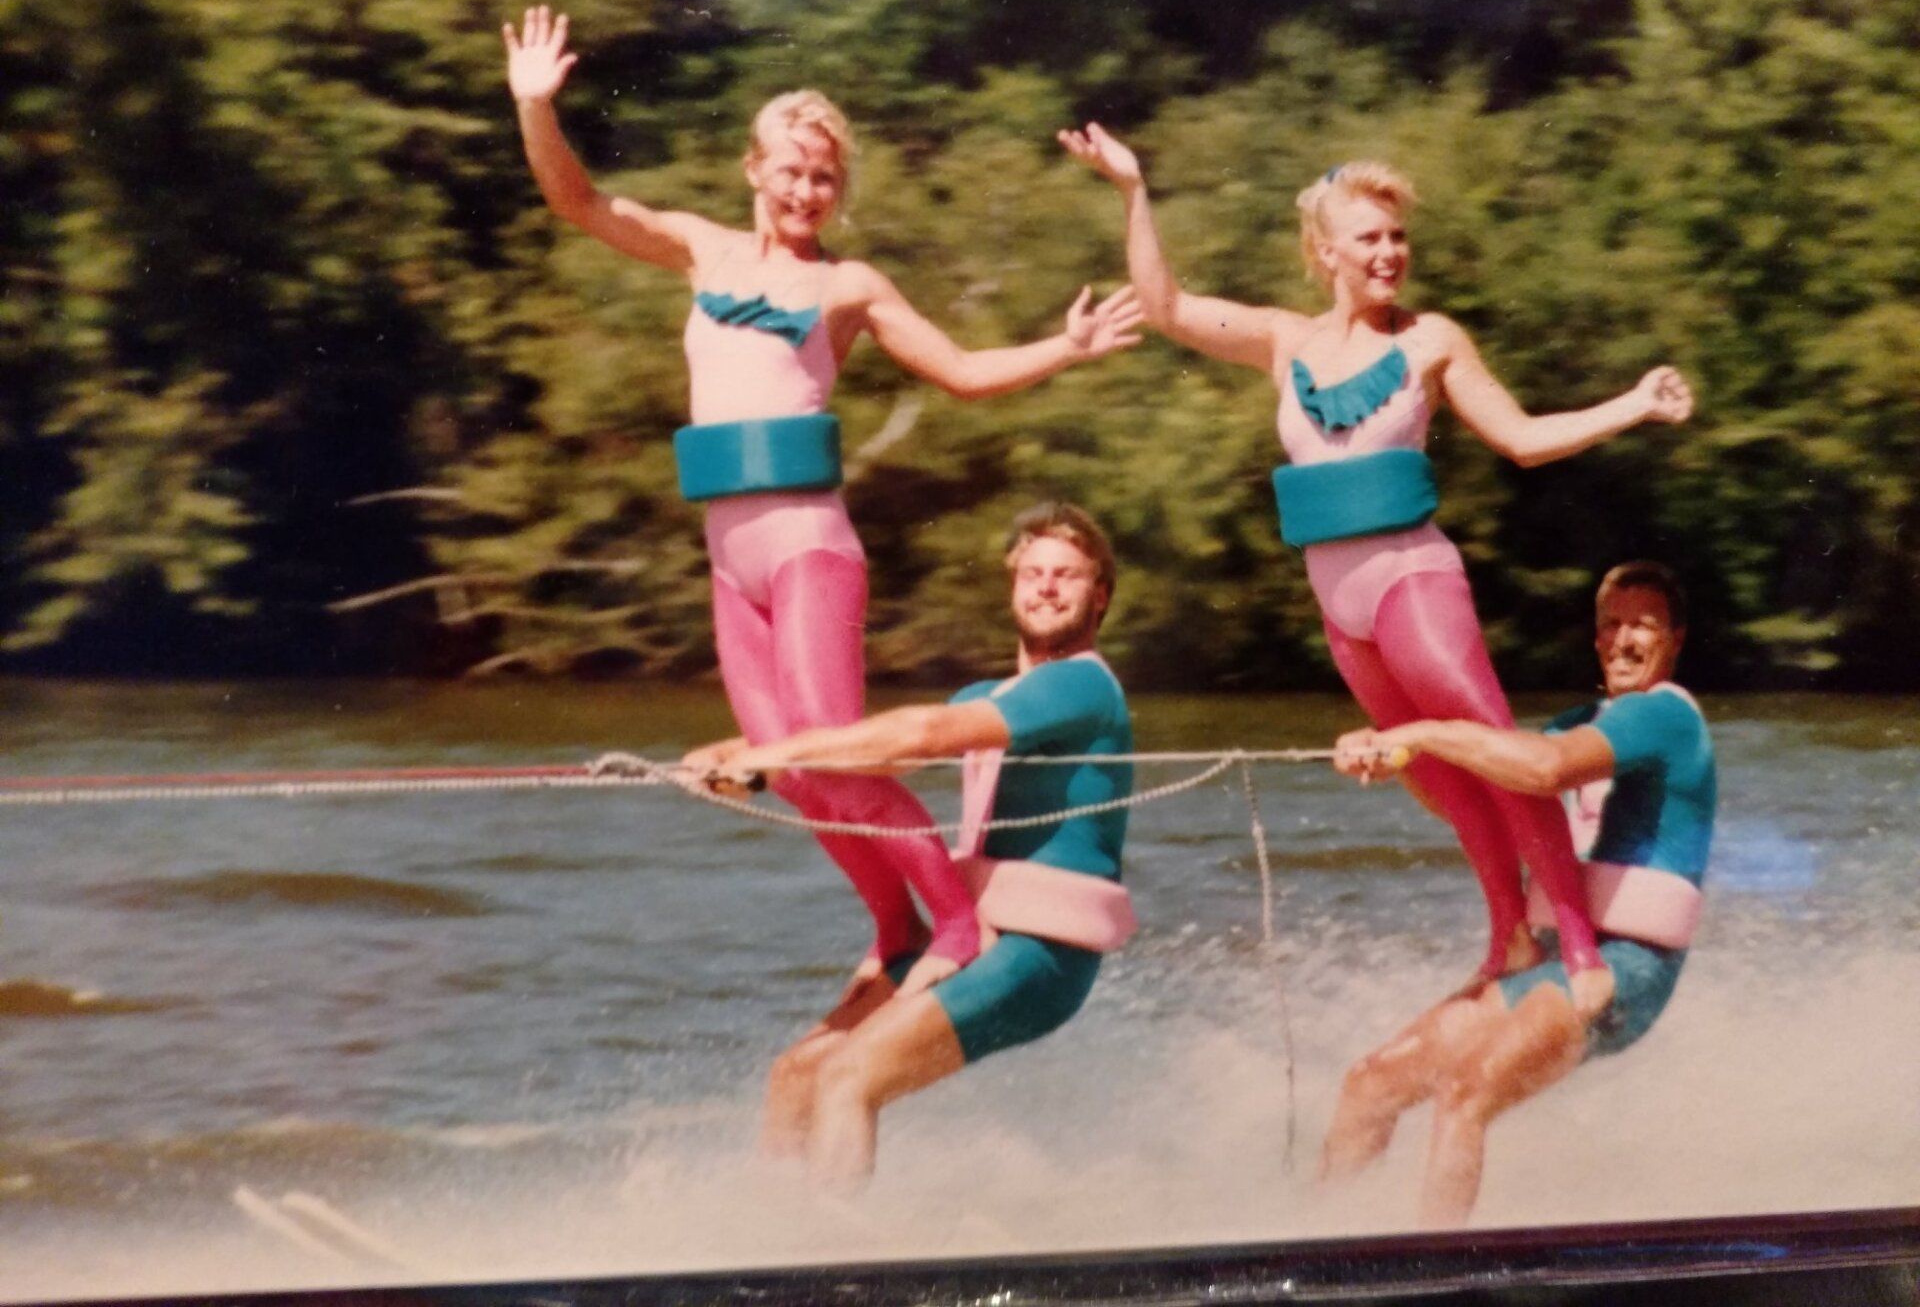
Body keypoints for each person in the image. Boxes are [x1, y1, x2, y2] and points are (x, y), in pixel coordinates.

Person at [504, 6, 1143, 997]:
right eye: (791, 171)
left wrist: (1068, 346)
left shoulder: (849, 286)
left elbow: (964, 372)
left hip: (808, 548)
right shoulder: (701, 250)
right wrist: (535, 107)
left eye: (824, 178)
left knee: (836, 755)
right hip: (730, 563)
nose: (806, 191)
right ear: (752, 169)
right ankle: (894, 927)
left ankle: (957, 926)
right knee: (796, 773)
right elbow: (576, 200)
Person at [1059, 126, 1693, 1002]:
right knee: (1440, 778)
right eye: (1370, 238)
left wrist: (1633, 404)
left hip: (1410, 583)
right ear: (1327, 253)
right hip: (1341, 610)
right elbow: (1165, 308)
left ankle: (1581, 953)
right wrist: (1133, 189)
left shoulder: (1431, 340)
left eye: (1398, 236)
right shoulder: (1283, 340)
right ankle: (1510, 937)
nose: (1390, 252)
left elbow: (1520, 439)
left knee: (1498, 751)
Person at [683, 503, 1134, 1188]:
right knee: (797, 1074)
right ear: (1013, 588)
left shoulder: (1082, 684)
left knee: (848, 1076)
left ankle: (834, 1249)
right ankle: (773, 1226)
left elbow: (920, 735)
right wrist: (739, 753)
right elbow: (877, 753)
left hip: (1042, 954)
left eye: (1066, 576)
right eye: (1032, 574)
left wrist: (776, 753)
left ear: (1099, 596)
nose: (1046, 587)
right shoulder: (988, 694)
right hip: (981, 934)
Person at [1322, 562, 1715, 1226]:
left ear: (1675, 639)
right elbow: (1471, 801)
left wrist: (1419, 734)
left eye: (1642, 625)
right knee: (1371, 1082)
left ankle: (1434, 1269)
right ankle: (1316, 1243)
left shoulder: (1666, 716)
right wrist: (1389, 756)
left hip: (1625, 969)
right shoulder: (1581, 722)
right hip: (1553, 960)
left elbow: (1543, 769)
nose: (1622, 640)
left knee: (1466, 1090)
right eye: (1611, 624)